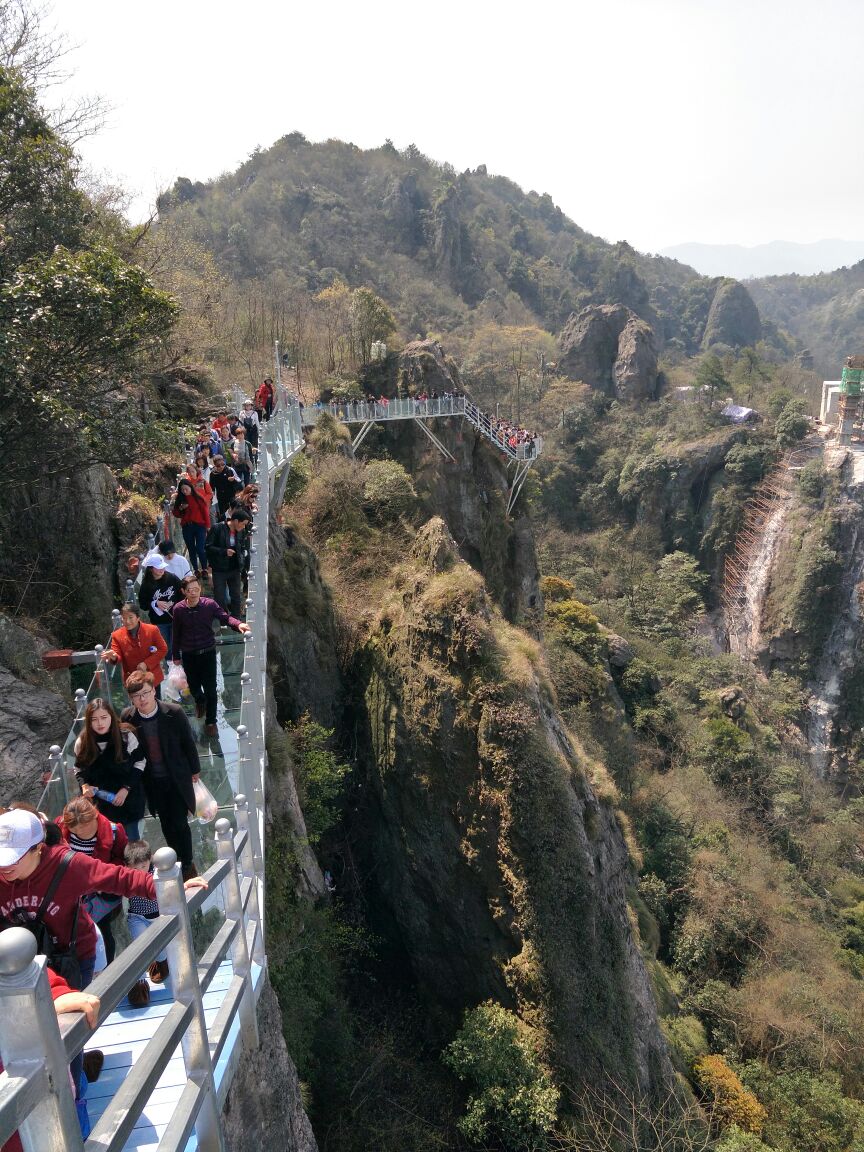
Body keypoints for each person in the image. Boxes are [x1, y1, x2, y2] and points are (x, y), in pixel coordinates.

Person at [121, 671, 203, 878]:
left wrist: (195, 770)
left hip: (175, 777)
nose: (142, 699)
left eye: (146, 693)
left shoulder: (173, 712)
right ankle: (174, 858)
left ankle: (187, 863)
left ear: (153, 691)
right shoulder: (128, 717)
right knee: (166, 822)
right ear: (131, 698)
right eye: (136, 696)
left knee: (180, 822)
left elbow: (188, 743)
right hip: (151, 781)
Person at [171, 575, 250, 736]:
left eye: (196, 589)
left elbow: (225, 617)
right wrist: (175, 655)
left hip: (207, 652)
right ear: (183, 592)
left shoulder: (209, 605)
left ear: (200, 588)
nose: (193, 593)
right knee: (193, 686)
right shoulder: (178, 609)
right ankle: (200, 701)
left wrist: (239, 624)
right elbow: (176, 634)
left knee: (210, 688)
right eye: (189, 590)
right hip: (188, 654)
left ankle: (211, 721)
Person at [57, 798, 128, 966]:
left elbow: (121, 858)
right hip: (70, 893)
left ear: (94, 816)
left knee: (102, 932)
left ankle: (107, 971)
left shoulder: (113, 831)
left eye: (83, 827)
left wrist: (105, 880)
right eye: (74, 829)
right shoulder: (61, 827)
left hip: (98, 894)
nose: (79, 832)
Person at [74, 698, 146, 840]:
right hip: (98, 806)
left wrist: (126, 789)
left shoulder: (125, 736)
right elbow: (78, 769)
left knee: (131, 843)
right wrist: (84, 785)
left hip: (127, 801)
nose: (100, 723)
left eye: (104, 717)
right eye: (94, 719)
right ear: (89, 721)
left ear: (111, 717)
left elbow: (140, 762)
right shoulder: (83, 742)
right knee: (105, 844)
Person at [124, 838, 168, 999]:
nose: (141, 871)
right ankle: (140, 983)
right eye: (136, 868)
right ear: (128, 866)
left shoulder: (156, 873)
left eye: (143, 866)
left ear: (150, 860)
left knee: (162, 949)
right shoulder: (127, 876)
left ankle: (163, 966)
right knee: (140, 948)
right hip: (137, 918)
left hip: (158, 917)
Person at [103, 604, 168, 695]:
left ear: (138, 618)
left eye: (130, 617)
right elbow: (117, 655)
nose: (127, 621)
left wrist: (146, 664)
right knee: (138, 706)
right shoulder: (116, 635)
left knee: (156, 704)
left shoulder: (152, 630)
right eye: (124, 618)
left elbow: (163, 649)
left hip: (152, 677)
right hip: (132, 679)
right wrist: (113, 657)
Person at [205, 508, 250, 618]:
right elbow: (208, 547)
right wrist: (224, 551)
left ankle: (236, 619)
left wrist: (243, 564)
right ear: (235, 521)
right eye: (243, 524)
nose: (244, 527)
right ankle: (223, 619)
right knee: (220, 597)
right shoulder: (217, 528)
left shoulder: (241, 532)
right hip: (219, 569)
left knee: (236, 595)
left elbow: (242, 547)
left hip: (234, 568)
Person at [137, 555, 183, 649]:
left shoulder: (172, 578)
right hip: (159, 622)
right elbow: (143, 604)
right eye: (158, 567)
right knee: (165, 647)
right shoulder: (146, 585)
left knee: (178, 645)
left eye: (163, 566)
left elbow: (182, 594)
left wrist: (179, 608)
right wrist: (155, 603)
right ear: (151, 569)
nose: (162, 569)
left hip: (176, 618)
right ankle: (169, 663)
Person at [172, 476, 211, 579]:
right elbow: (176, 513)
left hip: (199, 526)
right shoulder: (180, 499)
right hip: (187, 526)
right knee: (191, 549)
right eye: (182, 490)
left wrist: (207, 526)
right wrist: (181, 508)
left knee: (200, 548)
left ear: (190, 487)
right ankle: (196, 569)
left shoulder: (198, 497)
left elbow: (205, 512)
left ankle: (204, 568)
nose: (185, 491)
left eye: (186, 489)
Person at [210, 455, 243, 521]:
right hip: (221, 497)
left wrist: (233, 480)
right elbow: (212, 487)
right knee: (223, 514)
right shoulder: (213, 474)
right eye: (218, 465)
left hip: (231, 496)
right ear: (215, 465)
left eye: (223, 464)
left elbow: (240, 484)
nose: (221, 467)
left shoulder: (230, 470)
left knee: (233, 513)